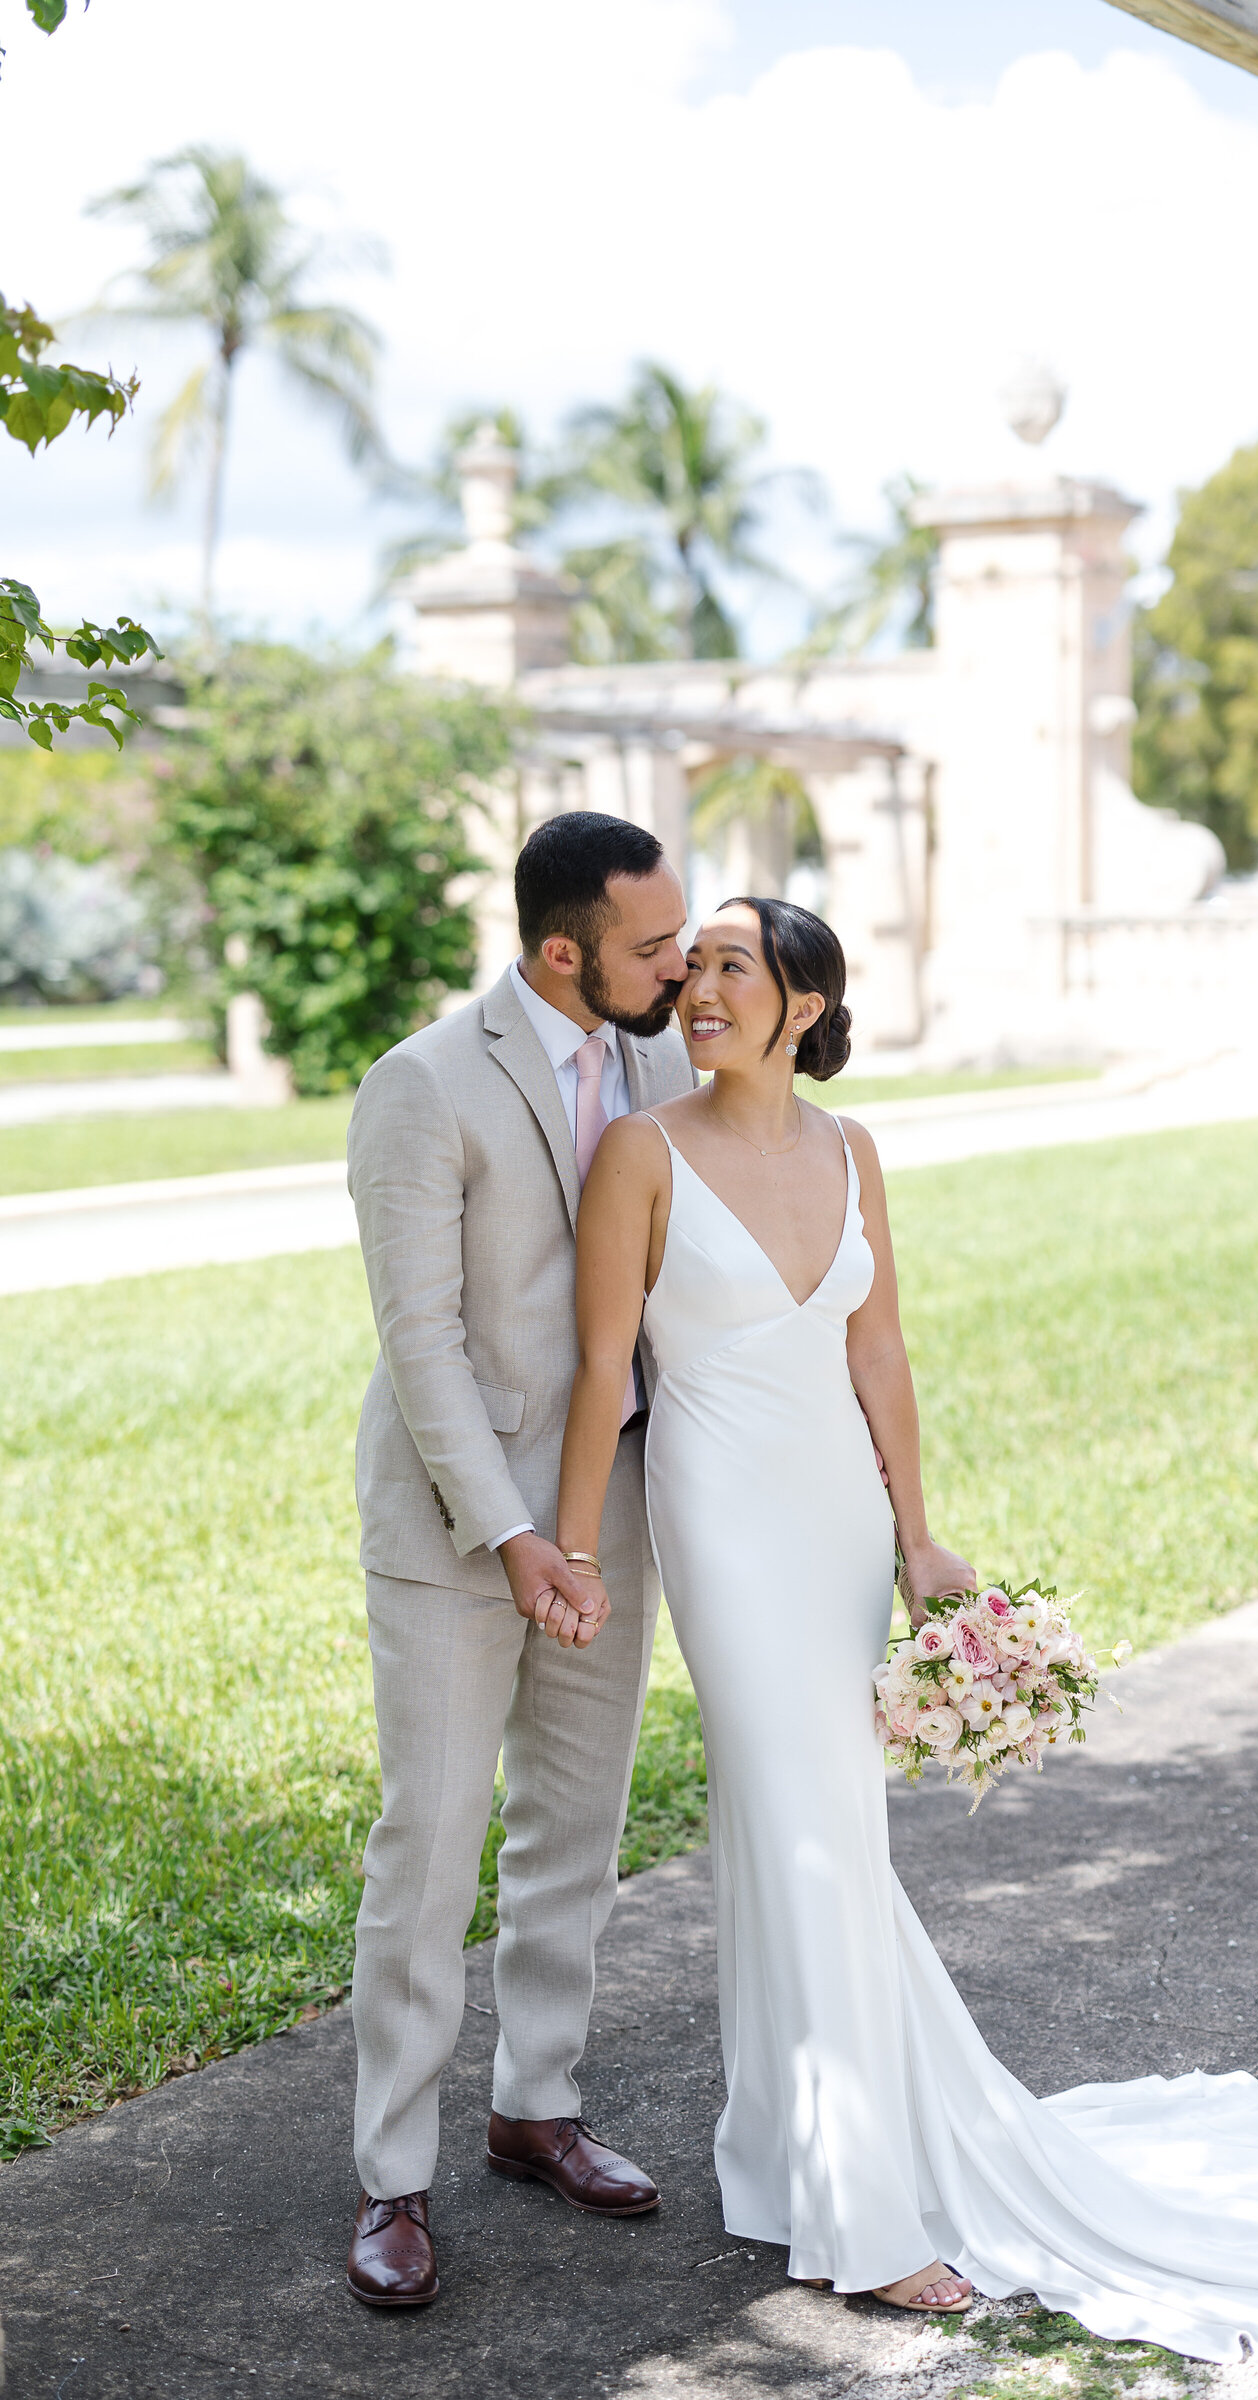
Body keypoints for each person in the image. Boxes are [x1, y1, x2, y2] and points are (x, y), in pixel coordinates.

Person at [554, 892, 1258, 2362]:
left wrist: (916, 1535)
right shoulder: (642, 1152)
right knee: (808, 1825)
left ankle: (779, 2144)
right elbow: (596, 1369)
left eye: (731, 968)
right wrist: (569, 1548)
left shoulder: (851, 1149)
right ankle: (868, 2212)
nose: (697, 988)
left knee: (812, 1834)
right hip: (721, 1514)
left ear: (806, 1007)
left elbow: (877, 1346)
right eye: (690, 966)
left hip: (832, 1516)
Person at [341, 812, 694, 2307]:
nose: (682, 969)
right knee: (428, 1849)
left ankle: (536, 2105)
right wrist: (515, 1534)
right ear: (564, 953)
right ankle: (392, 2179)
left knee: (579, 1823)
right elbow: (420, 1341)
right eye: (653, 948)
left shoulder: (667, 1059)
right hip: (458, 1526)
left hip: (616, 1501)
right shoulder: (421, 1085)